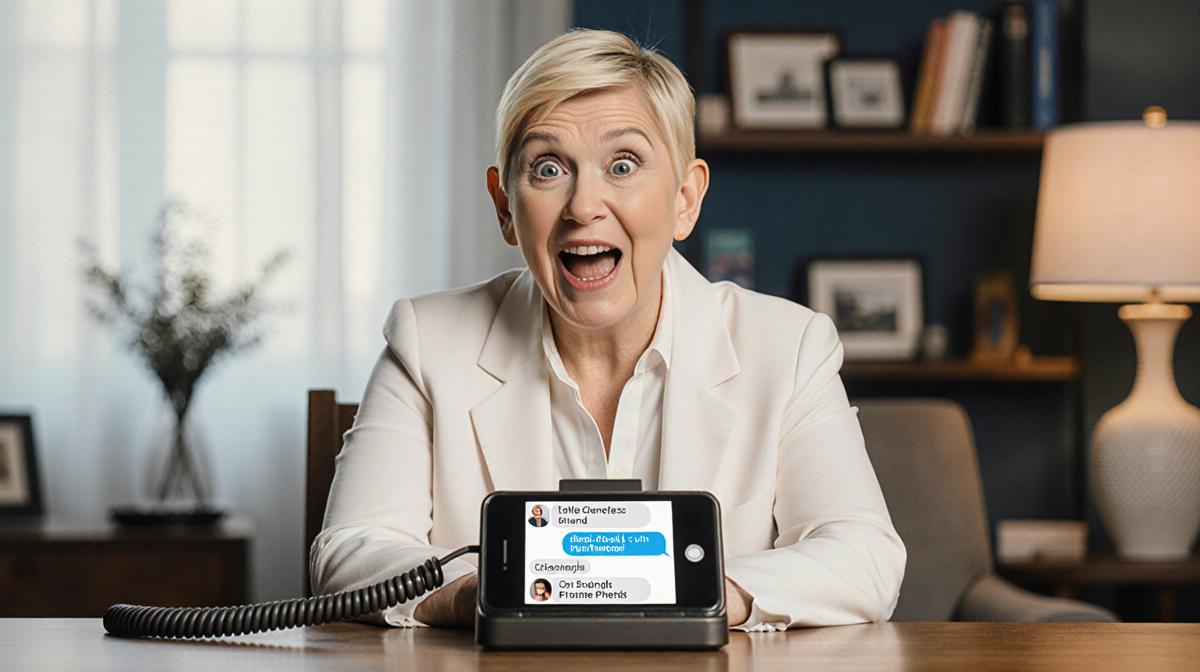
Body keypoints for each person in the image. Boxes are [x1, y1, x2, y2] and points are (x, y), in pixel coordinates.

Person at [310, 29, 905, 631]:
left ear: (684, 200)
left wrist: (704, 594)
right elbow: (349, 551)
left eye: (623, 164)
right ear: (503, 206)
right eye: (547, 168)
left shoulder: (790, 347)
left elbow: (865, 557)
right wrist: (480, 597)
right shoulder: (425, 341)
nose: (583, 206)